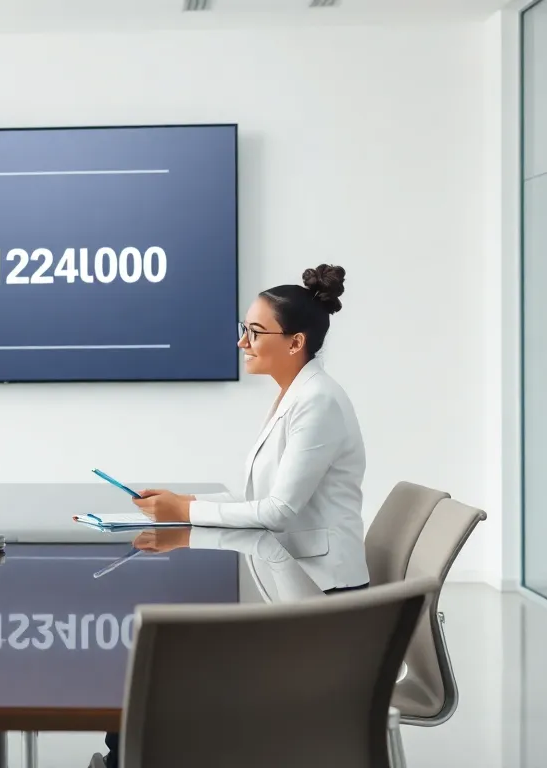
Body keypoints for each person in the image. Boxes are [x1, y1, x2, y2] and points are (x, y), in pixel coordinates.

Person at [99, 264, 369, 768]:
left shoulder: (318, 402)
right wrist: (185, 510)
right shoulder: (296, 394)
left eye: (255, 331)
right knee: (141, 704)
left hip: (319, 606)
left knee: (161, 687)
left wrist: (186, 510)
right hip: (291, 580)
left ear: (296, 343)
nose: (243, 341)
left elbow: (281, 511)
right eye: (242, 329)